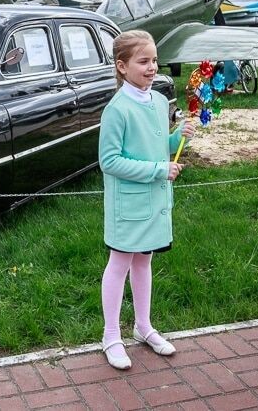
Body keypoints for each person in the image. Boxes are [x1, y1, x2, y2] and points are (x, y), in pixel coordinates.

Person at [98, 29, 195, 370]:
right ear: (122, 66)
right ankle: (111, 336)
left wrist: (177, 139)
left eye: (154, 60)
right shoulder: (117, 109)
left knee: (144, 261)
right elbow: (109, 161)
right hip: (129, 206)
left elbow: (156, 147)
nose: (152, 67)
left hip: (154, 201)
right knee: (119, 263)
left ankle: (143, 327)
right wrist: (158, 170)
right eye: (143, 61)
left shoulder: (157, 101)